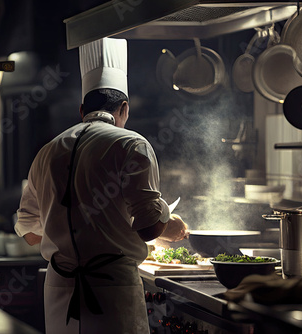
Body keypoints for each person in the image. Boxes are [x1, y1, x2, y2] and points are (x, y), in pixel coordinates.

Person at [14, 37, 189, 334]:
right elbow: (148, 229)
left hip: (59, 288)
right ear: (124, 108)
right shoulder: (132, 143)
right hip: (111, 289)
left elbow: (30, 234)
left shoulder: (47, 151)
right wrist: (166, 219)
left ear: (82, 110)